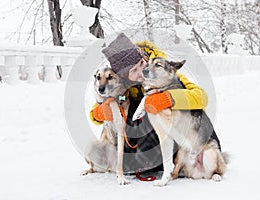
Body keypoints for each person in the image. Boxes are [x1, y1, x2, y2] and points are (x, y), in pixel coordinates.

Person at [89, 33, 220, 176]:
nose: (142, 72)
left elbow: (201, 97)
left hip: (182, 126)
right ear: (124, 77)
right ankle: (156, 161)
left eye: (141, 64)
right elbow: (96, 110)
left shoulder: (161, 68)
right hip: (151, 128)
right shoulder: (121, 83)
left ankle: (189, 158)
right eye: (134, 71)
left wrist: (167, 98)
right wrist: (99, 113)